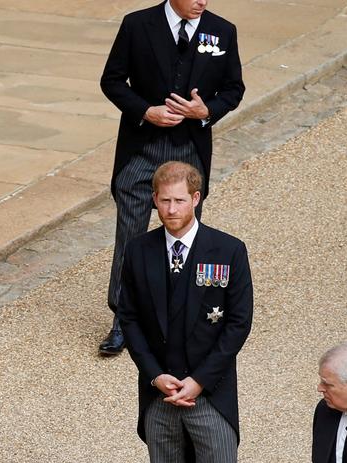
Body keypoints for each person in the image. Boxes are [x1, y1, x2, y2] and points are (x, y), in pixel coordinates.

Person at [117, 161, 252, 463]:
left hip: (209, 397)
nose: (170, 209)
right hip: (159, 397)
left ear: (197, 198)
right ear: (153, 200)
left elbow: (238, 325)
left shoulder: (228, 251)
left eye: (179, 200)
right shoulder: (139, 251)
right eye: (163, 200)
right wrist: (155, 377)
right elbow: (129, 318)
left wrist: (199, 381)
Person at [98, 0, 244, 355]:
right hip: (139, 152)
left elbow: (233, 89)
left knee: (186, 237)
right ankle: (123, 320)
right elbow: (112, 81)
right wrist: (145, 111)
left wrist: (206, 110)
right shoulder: (137, 25)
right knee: (129, 238)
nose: (202, 2)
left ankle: (188, 319)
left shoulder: (222, 30)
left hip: (189, 152)